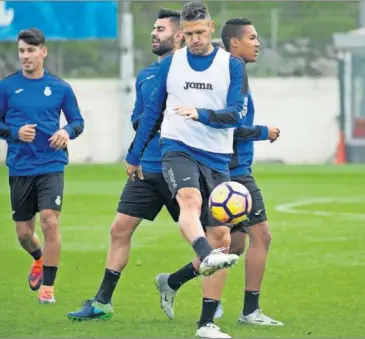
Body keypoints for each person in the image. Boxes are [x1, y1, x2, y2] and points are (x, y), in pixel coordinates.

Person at [124, 2, 249, 337]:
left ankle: (206, 323)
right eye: (188, 34)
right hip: (177, 147)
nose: (194, 39)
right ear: (182, 33)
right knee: (188, 198)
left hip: (217, 156)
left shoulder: (232, 65)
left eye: (199, 32)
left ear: (210, 27)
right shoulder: (172, 64)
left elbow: (236, 113)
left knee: (222, 237)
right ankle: (203, 253)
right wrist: (134, 154)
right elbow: (153, 112)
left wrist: (201, 113)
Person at [154, 18, 284, 327]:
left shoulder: (232, 71)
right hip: (230, 170)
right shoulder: (226, 72)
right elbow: (228, 126)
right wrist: (263, 131)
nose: (258, 43)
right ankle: (248, 311)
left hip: (234, 167)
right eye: (252, 37)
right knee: (260, 237)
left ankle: (173, 282)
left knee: (233, 245)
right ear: (234, 42)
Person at [66, 8, 185, 321]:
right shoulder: (146, 75)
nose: (154, 33)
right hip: (146, 168)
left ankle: (190, 291)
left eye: (161, 29)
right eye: (154, 28)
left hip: (181, 168)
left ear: (179, 35)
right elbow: (138, 117)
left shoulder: (188, 74)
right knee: (119, 229)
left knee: (210, 239)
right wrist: (147, 123)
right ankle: (102, 302)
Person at [0, 28, 85, 304]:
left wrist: (66, 132)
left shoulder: (61, 88)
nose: (25, 56)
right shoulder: (6, 87)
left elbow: (78, 121)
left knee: (50, 221)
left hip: (52, 164)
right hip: (20, 168)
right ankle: (38, 258)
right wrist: (15, 133)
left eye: (30, 50)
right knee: (24, 234)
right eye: (21, 51)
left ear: (43, 51)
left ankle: (48, 289)